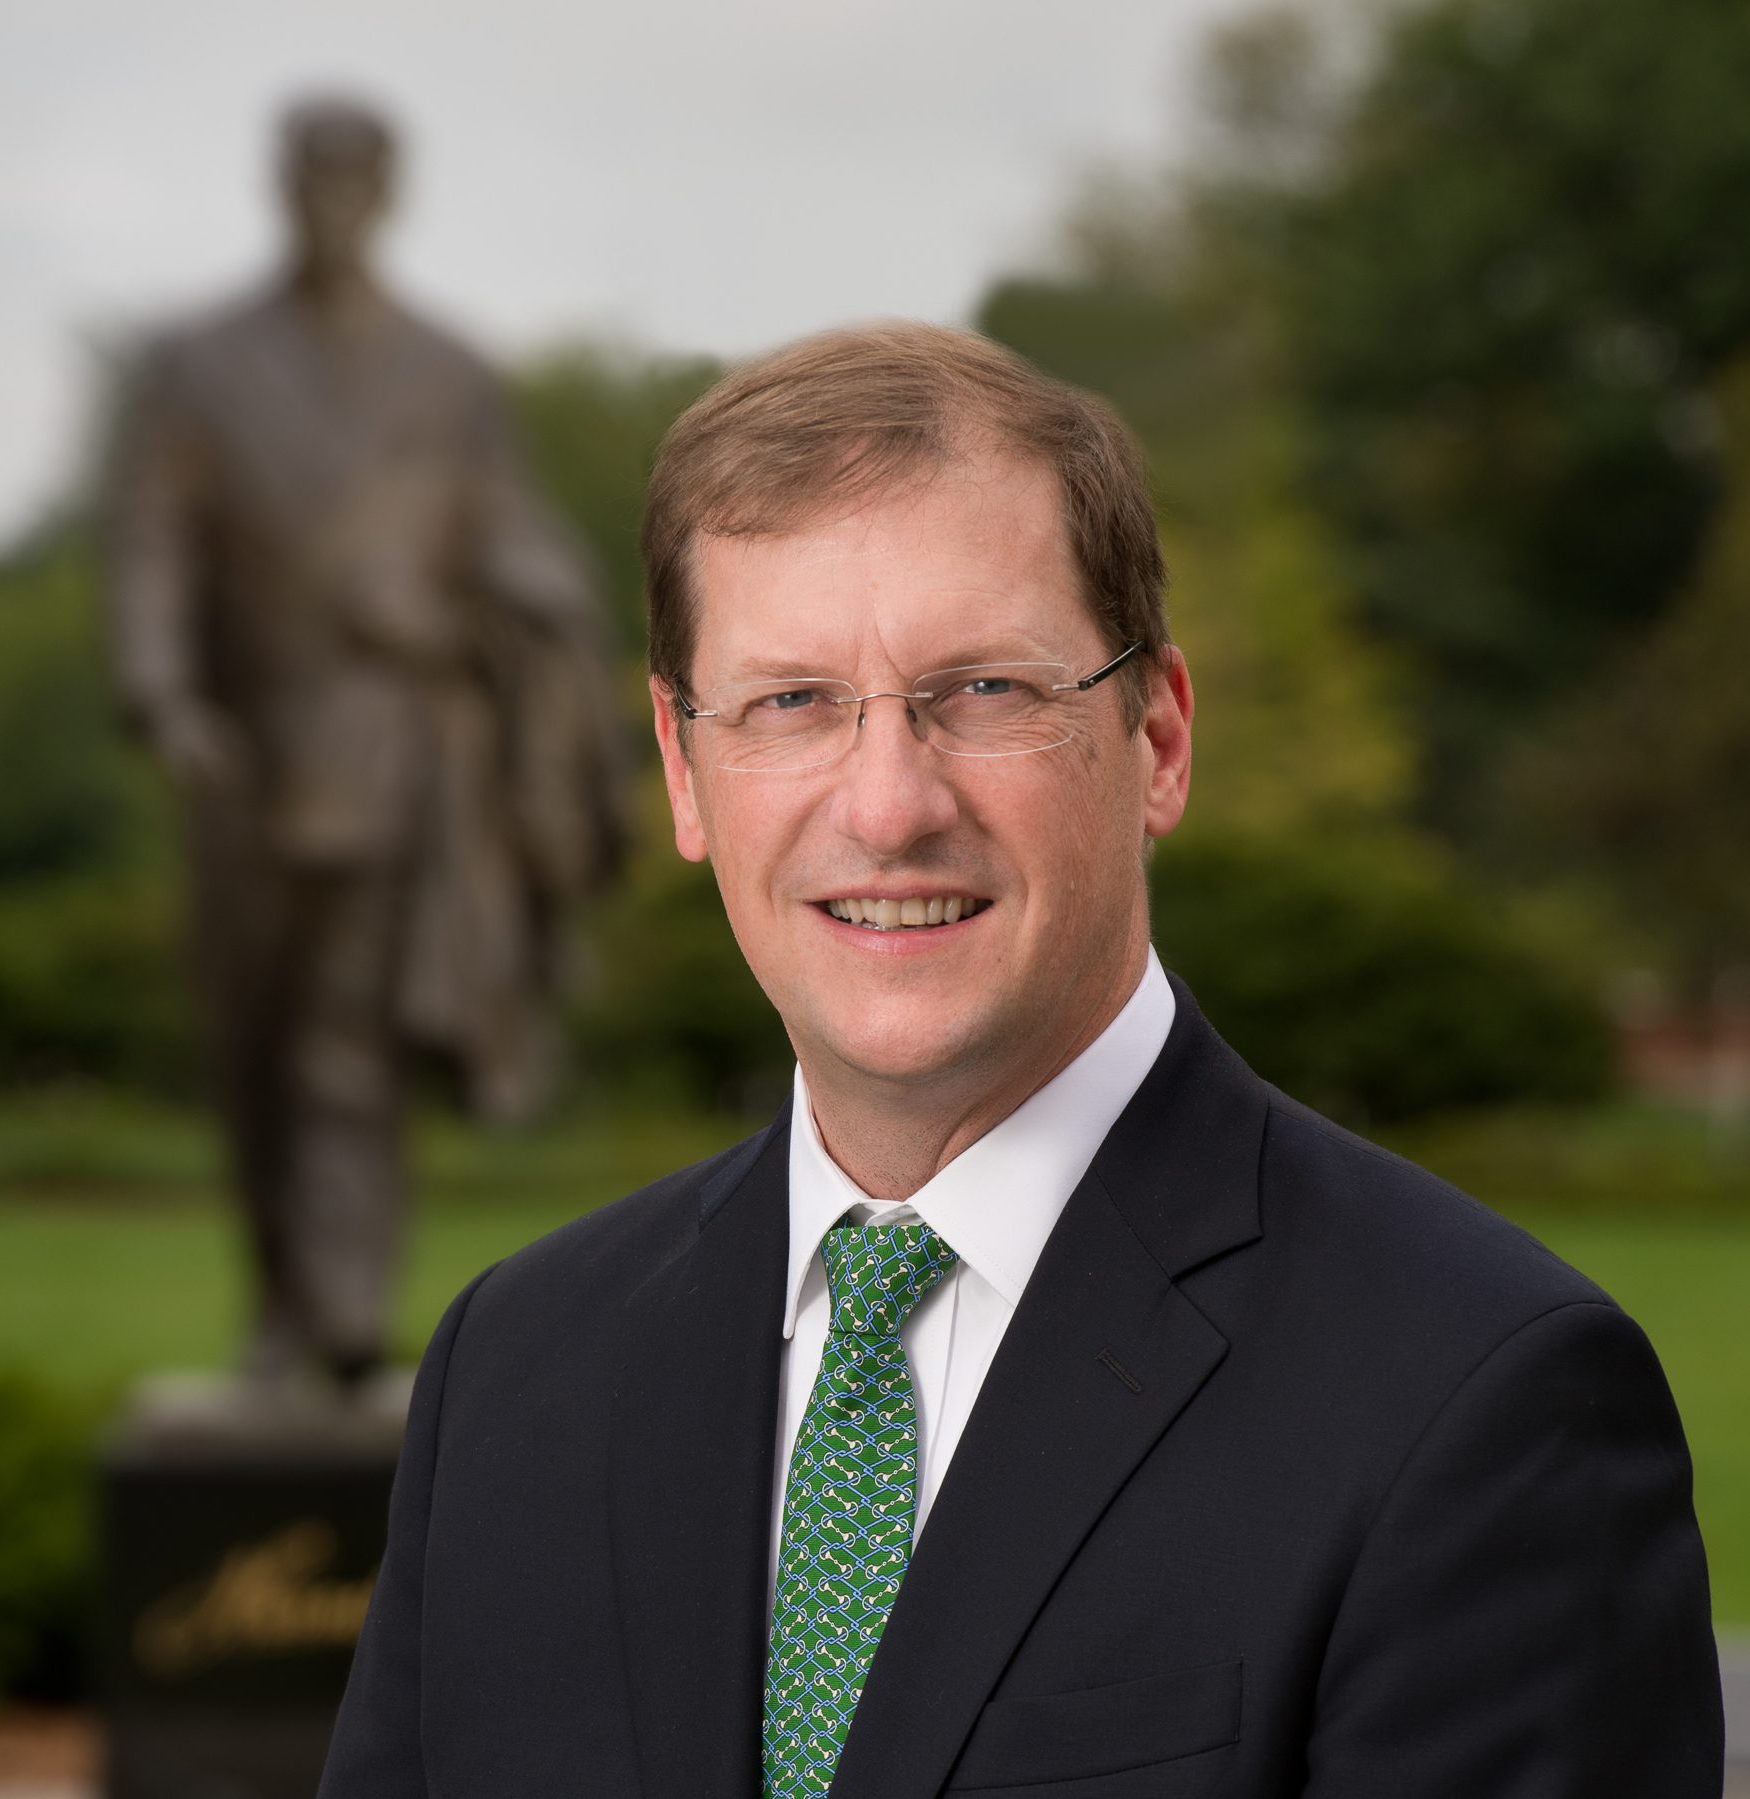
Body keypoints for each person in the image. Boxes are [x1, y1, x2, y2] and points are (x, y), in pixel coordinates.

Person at [320, 323, 1722, 1795]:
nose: (887, 802)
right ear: (684, 769)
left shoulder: (1480, 1398)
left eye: (983, 689)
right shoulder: (518, 1368)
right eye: (791, 701)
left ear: (1159, 736)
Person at [106, 97, 627, 1384]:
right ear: (278, 188)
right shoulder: (203, 363)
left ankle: (340, 1316)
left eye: (354, 180)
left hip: (394, 748)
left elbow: (510, 531)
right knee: (248, 1041)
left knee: (348, 1044)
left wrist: (495, 606)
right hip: (239, 758)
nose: (331, 202)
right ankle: (283, 1291)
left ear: (387, 194)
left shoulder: (447, 371)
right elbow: (152, 547)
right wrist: (164, 695)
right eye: (310, 178)